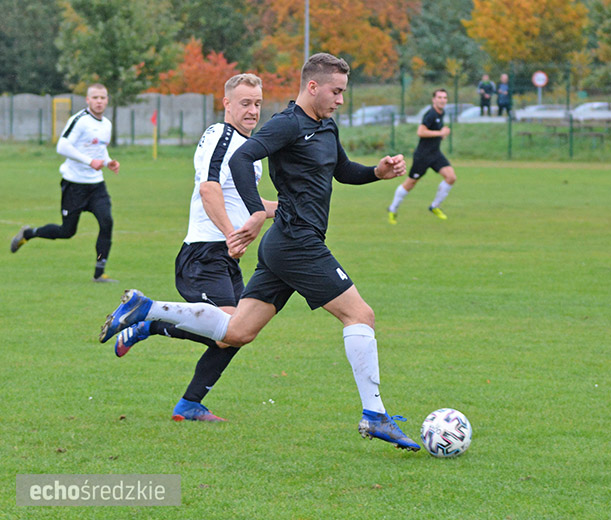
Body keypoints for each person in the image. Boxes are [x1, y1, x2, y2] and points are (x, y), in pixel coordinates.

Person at [99, 53, 420, 451]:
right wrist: (254, 212)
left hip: (285, 246)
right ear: (313, 86)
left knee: (237, 332)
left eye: (343, 93)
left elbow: (341, 170)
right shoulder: (287, 124)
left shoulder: (326, 127)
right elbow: (241, 158)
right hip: (297, 242)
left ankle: (149, 311)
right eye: (335, 92)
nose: (340, 100)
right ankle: (375, 416)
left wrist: (376, 172)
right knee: (361, 315)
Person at [111, 74, 278, 422]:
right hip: (204, 253)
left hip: (224, 256)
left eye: (258, 103)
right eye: (245, 103)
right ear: (227, 103)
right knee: (231, 331)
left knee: (238, 334)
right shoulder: (221, 135)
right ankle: (149, 319)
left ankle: (189, 404)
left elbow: (245, 201)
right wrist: (232, 233)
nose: (253, 110)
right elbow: (209, 189)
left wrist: (291, 208)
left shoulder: (250, 150)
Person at [10, 83, 120, 282]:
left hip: (96, 185)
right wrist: (89, 161)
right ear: (88, 100)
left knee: (107, 222)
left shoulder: (107, 124)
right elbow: (62, 146)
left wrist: (107, 162)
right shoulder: (79, 120)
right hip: (74, 185)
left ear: (107, 100)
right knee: (67, 231)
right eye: (95, 97)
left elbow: (100, 150)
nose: (99, 101)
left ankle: (99, 272)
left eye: (102, 98)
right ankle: (28, 233)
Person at [387, 89, 456, 224]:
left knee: (451, 177)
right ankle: (393, 208)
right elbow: (421, 132)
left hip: (435, 154)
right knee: (411, 183)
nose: (443, 100)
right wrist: (439, 132)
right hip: (423, 156)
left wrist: (441, 134)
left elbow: (433, 133)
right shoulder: (430, 114)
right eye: (440, 97)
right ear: (434, 100)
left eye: (445, 98)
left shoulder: (441, 113)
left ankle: (434, 206)